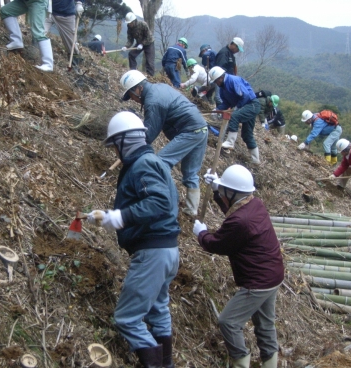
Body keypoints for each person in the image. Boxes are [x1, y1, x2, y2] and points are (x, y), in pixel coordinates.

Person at [87, 111, 180, 368]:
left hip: (153, 253)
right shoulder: (154, 162)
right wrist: (111, 216)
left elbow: (159, 202)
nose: (115, 152)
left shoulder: (143, 165)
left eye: (115, 145)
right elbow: (162, 202)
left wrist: (120, 217)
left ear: (125, 141)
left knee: (127, 318)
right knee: (158, 310)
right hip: (168, 251)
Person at [193, 164, 284, 368]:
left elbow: (217, 244)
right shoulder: (255, 205)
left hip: (258, 280)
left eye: (225, 190)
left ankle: (241, 362)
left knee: (228, 322)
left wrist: (201, 233)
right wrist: (218, 190)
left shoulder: (240, 222)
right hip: (273, 274)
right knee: (265, 324)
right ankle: (271, 363)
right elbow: (233, 210)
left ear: (233, 192)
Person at [120, 70, 208, 216]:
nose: (133, 99)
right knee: (190, 173)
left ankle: (161, 202)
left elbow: (149, 135)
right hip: (200, 128)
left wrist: (130, 151)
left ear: (138, 88)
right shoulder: (158, 88)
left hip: (190, 131)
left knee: (160, 163)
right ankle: (191, 211)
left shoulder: (153, 101)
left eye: (131, 95)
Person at [208, 66, 261, 164]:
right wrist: (217, 110)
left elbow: (245, 96)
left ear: (220, 77)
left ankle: (230, 142)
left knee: (234, 116)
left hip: (251, 104)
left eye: (216, 81)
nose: (216, 83)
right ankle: (256, 160)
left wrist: (237, 108)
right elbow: (226, 103)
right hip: (245, 107)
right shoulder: (222, 89)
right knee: (247, 135)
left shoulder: (233, 80)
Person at [0, 0, 59, 71]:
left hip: (38, 2)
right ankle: (16, 41)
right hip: (24, 1)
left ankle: (48, 64)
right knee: (6, 11)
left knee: (38, 32)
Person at [44, 0, 84, 66]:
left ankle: (75, 65)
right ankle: (34, 56)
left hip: (66, 13)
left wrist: (79, 3)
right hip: (47, 10)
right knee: (38, 34)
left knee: (71, 44)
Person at [122, 12, 155, 76]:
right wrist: (126, 46)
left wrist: (142, 44)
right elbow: (130, 39)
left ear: (134, 21)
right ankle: (133, 72)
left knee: (149, 61)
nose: (130, 24)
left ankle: (150, 77)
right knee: (131, 55)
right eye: (128, 23)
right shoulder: (129, 27)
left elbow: (148, 36)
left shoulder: (143, 24)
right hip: (139, 43)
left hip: (149, 43)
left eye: (130, 23)